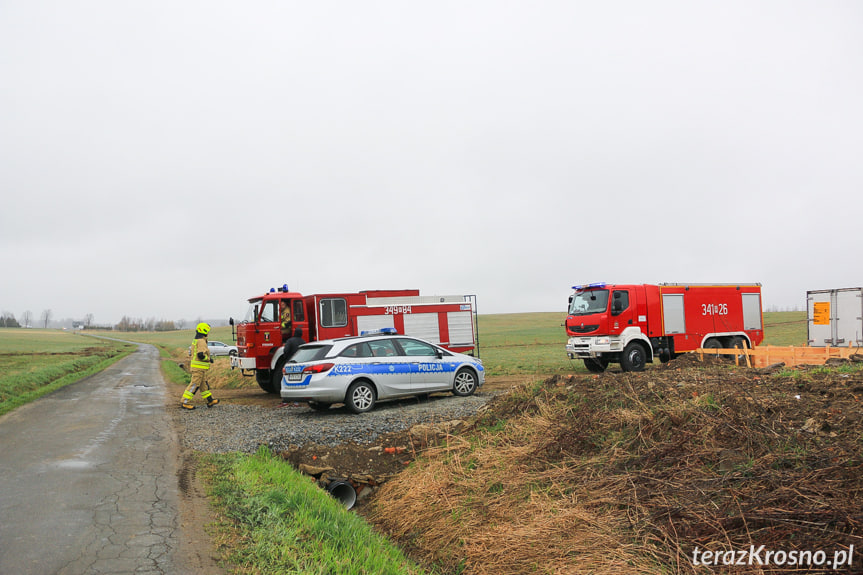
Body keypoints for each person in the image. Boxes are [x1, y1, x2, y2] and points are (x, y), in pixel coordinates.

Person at [181, 322, 219, 410]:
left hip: (199, 368)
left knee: (204, 386)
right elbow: (200, 355)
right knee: (194, 385)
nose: (208, 333)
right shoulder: (201, 341)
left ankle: (210, 401)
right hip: (198, 368)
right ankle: (185, 402)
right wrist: (208, 359)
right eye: (208, 331)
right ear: (204, 331)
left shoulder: (196, 340)